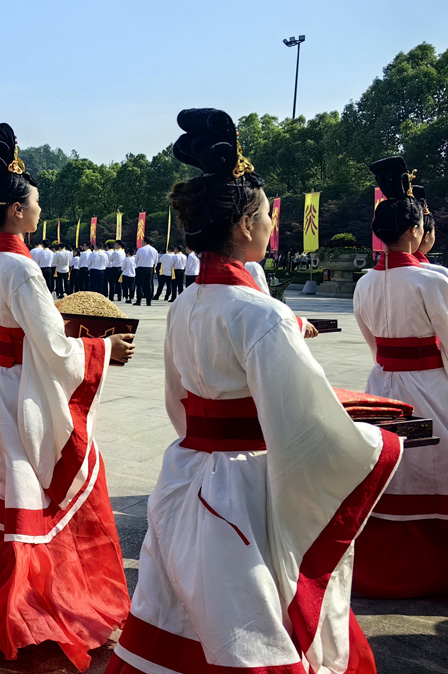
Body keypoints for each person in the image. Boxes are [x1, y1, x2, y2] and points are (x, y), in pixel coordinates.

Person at [106, 108, 397, 674]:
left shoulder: (186, 304)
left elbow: (177, 404)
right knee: (249, 624)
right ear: (243, 224)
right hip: (244, 488)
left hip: (186, 474)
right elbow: (305, 421)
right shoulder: (262, 314)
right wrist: (375, 442)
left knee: (184, 611)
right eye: (266, 216)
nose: (273, 226)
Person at [0, 124, 135, 669]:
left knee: (20, 488)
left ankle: (17, 594)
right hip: (27, 384)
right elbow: (51, 343)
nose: (41, 207)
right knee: (47, 490)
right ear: (19, 210)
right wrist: (101, 348)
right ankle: (37, 604)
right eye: (38, 201)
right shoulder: (21, 267)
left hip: (7, 380)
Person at [350, 157, 448, 600]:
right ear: (414, 231)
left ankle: (380, 557)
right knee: (435, 466)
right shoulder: (433, 280)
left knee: (397, 464)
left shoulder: (364, 283)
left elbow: (373, 343)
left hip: (383, 384)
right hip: (430, 385)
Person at [132, 237, 158, 306]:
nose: (141, 242)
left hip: (141, 268)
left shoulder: (140, 250)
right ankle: (148, 302)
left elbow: (136, 260)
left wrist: (138, 266)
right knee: (149, 285)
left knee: (140, 285)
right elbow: (156, 261)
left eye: (142, 241)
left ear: (145, 242)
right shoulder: (154, 250)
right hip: (150, 268)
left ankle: (138, 301)